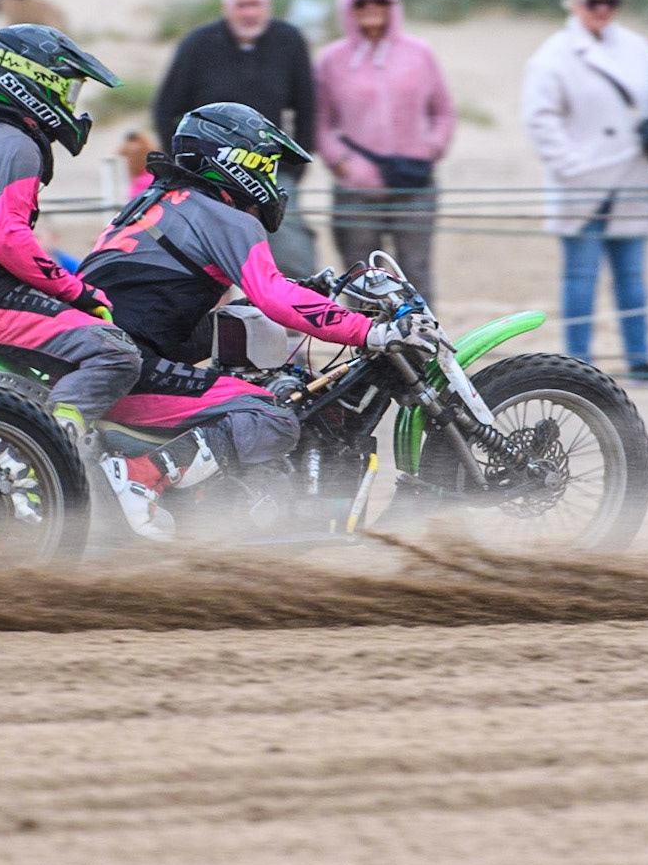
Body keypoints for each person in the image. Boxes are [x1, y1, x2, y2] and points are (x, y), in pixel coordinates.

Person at [81, 103, 438, 539]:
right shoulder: (227, 218)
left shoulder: (161, 200)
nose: (270, 179)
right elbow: (272, 296)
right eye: (265, 166)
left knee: (243, 331)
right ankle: (141, 473)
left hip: (98, 353)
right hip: (128, 369)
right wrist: (370, 330)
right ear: (236, 163)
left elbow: (222, 285)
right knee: (273, 415)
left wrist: (309, 287)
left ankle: (209, 489)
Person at [0, 24, 142, 436]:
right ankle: (62, 452)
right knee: (116, 354)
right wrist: (78, 291)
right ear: (34, 82)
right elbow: (6, 237)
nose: (71, 104)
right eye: (67, 91)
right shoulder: (14, 142)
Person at [522, 0, 648, 386]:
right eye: (594, 2)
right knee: (580, 277)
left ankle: (640, 359)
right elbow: (540, 120)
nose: (603, 10)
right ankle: (580, 365)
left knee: (632, 276)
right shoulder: (553, 55)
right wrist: (572, 166)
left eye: (611, 2)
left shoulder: (639, 49)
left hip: (633, 175)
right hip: (585, 181)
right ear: (574, 4)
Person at [152, 0, 318, 277]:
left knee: (291, 253)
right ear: (225, 8)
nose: (249, 12)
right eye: (241, 5)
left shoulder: (290, 41)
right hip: (210, 174)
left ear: (268, 5)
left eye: (256, 4)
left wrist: (294, 168)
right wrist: (184, 166)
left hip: (270, 171)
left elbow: (308, 108)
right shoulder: (197, 45)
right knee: (203, 257)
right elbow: (165, 109)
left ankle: (304, 321)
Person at [313, 0, 455, 303]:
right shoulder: (331, 60)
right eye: (361, 1)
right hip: (356, 194)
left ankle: (423, 353)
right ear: (348, 8)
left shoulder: (420, 53)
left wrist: (431, 147)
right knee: (361, 281)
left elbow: (444, 111)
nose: (371, 7)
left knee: (416, 275)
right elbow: (319, 121)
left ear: (393, 4)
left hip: (414, 186)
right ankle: (368, 353)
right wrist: (343, 164)